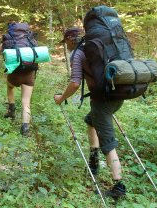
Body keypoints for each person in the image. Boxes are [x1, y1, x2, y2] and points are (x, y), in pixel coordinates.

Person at [53, 27, 126, 199]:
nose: (67, 46)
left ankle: (119, 186)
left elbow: (75, 83)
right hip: (118, 95)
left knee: (108, 143)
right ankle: (94, 160)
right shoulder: (101, 47)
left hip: (102, 102)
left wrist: (61, 98)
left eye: (67, 42)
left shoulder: (79, 53)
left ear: (71, 39)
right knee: (90, 120)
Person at [0, 22, 37, 137]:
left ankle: (11, 110)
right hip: (29, 74)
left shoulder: (8, 41)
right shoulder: (31, 41)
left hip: (14, 74)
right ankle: (25, 129)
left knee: (9, 86)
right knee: (26, 103)